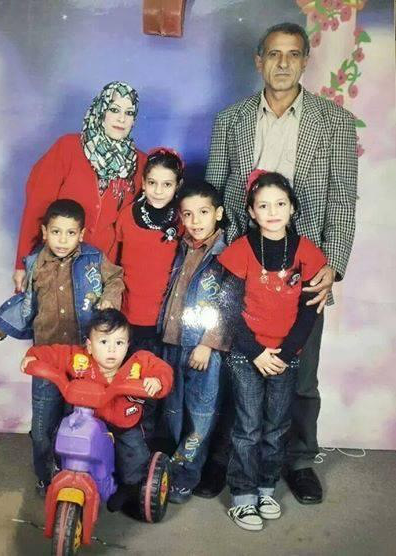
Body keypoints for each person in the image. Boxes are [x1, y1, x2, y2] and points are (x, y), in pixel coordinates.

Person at [201, 22, 358, 503]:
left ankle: (299, 460)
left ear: (306, 60)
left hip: (303, 271)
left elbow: (342, 201)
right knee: (237, 365)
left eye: (293, 54)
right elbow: (214, 196)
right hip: (243, 267)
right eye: (273, 54)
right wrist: (217, 265)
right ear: (259, 61)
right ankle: (226, 458)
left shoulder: (334, 122)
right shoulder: (231, 120)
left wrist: (333, 265)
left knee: (300, 371)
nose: (283, 63)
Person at [0, 199, 125, 494]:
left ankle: (80, 472)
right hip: (47, 359)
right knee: (42, 427)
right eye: (56, 232)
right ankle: (46, 476)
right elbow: (25, 302)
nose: (63, 240)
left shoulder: (93, 259)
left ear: (81, 234)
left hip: (84, 358)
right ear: (45, 232)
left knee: (80, 421)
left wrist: (110, 298)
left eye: (70, 233)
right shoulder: (36, 263)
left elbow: (115, 278)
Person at [218, 170, 327, 530]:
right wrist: (255, 351)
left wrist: (286, 352)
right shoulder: (242, 249)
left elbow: (310, 309)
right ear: (251, 212)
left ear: (292, 207)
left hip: (286, 356)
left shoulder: (306, 251)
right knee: (248, 426)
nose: (273, 211)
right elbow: (228, 307)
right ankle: (243, 494)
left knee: (277, 426)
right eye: (263, 206)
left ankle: (266, 487)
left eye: (280, 204)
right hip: (247, 354)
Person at [20, 309, 173, 510]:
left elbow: (161, 369)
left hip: (123, 426)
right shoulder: (80, 359)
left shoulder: (136, 363)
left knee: (134, 460)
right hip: (87, 421)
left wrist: (157, 380)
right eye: (104, 342)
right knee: (60, 441)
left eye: (119, 343)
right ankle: (64, 473)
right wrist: (33, 357)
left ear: (128, 345)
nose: (112, 350)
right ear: (90, 346)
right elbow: (54, 353)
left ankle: (127, 487)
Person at [13, 81, 146, 293]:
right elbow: (36, 208)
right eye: (114, 109)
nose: (121, 118)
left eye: (129, 113)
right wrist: (22, 263)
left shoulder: (140, 164)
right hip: (55, 268)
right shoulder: (67, 148)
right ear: (101, 110)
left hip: (100, 275)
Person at [159, 181, 230, 504]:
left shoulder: (226, 254)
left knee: (200, 415)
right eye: (187, 214)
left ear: (219, 213)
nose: (195, 220)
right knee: (172, 412)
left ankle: (186, 476)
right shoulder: (180, 246)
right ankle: (168, 470)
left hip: (203, 349)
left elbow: (229, 304)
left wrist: (208, 343)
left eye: (203, 212)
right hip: (173, 341)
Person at [116, 147, 184, 355]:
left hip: (164, 317)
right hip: (128, 311)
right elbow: (114, 261)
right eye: (152, 183)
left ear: (178, 186)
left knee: (158, 370)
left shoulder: (182, 220)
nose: (158, 191)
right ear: (143, 183)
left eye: (167, 184)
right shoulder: (127, 216)